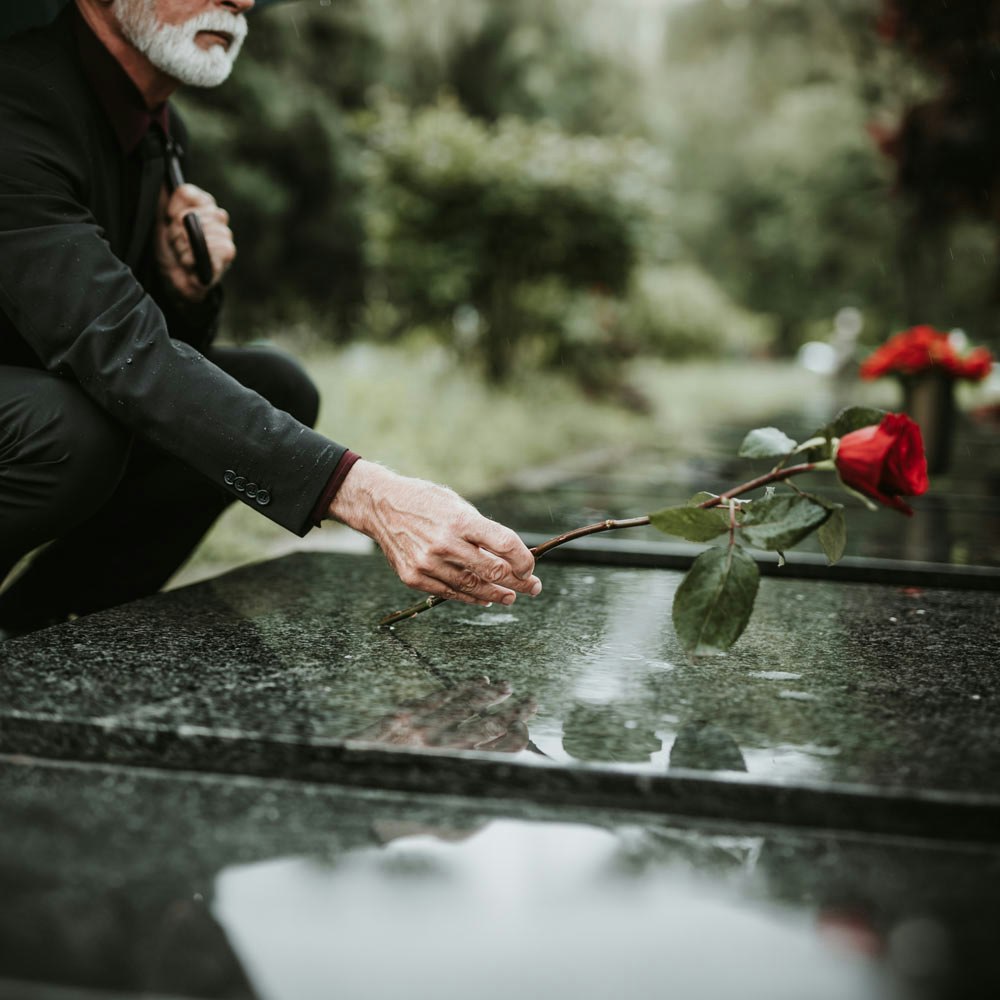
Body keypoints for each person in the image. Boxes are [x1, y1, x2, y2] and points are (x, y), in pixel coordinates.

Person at [0, 0, 541, 637]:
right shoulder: (17, 105)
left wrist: (185, 291)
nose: (241, 1)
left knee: (276, 384)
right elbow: (116, 350)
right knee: (63, 431)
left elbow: (138, 351)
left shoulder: (159, 132)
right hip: (36, 410)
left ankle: (40, 633)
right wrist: (365, 493)